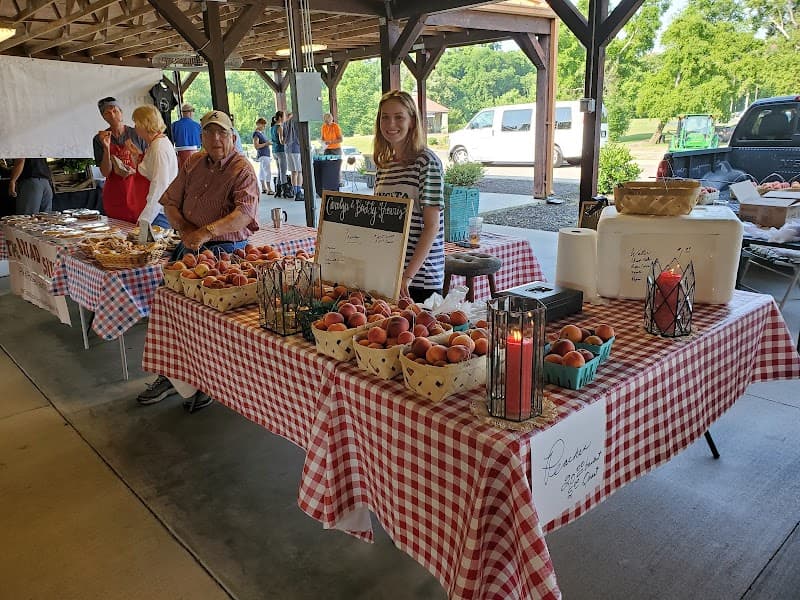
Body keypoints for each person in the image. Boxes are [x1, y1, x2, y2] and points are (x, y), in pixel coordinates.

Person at [137, 109, 260, 411]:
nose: (216, 139)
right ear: (201, 137)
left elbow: (244, 214)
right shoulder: (193, 162)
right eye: (209, 132)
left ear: (232, 136)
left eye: (222, 132)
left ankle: (211, 384)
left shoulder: (242, 168)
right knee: (172, 313)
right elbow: (169, 201)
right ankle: (173, 373)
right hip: (188, 249)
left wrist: (205, 232)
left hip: (225, 254)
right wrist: (185, 229)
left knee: (211, 325)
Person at [373, 90, 445, 303]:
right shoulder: (384, 166)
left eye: (399, 117)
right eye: (384, 117)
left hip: (420, 278)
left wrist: (407, 276)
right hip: (389, 274)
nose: (390, 123)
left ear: (412, 121)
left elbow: (432, 226)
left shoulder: (426, 162)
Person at [93, 96, 149, 223]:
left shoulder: (137, 133)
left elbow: (148, 164)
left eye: (114, 111)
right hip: (115, 193)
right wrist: (106, 148)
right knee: (117, 232)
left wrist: (135, 163)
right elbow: (105, 173)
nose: (112, 115)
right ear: (103, 117)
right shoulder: (99, 139)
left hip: (137, 190)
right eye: (107, 113)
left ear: (121, 112)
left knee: (140, 230)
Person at [129, 104, 178, 229]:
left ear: (144, 124)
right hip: (154, 212)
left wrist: (145, 219)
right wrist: (138, 157)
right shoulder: (155, 144)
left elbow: (159, 186)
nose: (135, 127)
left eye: (136, 123)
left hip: (158, 214)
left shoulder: (159, 148)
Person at [171, 103, 202, 168]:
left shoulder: (174, 125)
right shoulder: (197, 126)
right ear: (190, 112)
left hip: (180, 155)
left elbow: (172, 140)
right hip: (196, 154)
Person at [282, 112, 303, 200]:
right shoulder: (297, 122)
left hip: (288, 149)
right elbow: (301, 135)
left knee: (293, 172)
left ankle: (295, 192)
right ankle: (299, 193)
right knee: (300, 171)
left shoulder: (285, 123)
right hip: (296, 148)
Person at [253, 117, 273, 194]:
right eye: (263, 125)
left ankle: (264, 187)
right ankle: (269, 188)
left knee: (262, 171)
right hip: (263, 154)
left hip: (265, 154)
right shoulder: (257, 134)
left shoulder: (261, 133)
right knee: (267, 171)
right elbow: (256, 146)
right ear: (258, 124)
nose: (264, 127)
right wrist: (266, 144)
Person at [271, 111, 289, 197]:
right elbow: (282, 141)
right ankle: (285, 190)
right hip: (281, 151)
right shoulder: (280, 128)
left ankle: (278, 190)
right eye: (284, 116)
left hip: (274, 150)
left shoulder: (272, 127)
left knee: (279, 171)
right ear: (280, 118)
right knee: (283, 171)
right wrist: (288, 139)